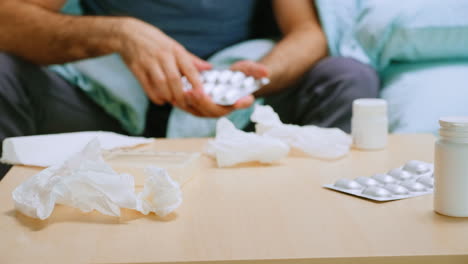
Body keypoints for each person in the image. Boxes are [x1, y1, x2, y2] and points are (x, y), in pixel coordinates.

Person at [0, 0, 379, 179]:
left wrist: (257, 77)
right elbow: (7, 18)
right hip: (103, 110)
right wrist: (118, 32)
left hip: (239, 116)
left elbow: (307, 31)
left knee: (349, 78)